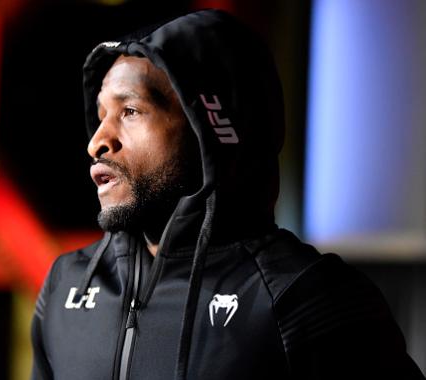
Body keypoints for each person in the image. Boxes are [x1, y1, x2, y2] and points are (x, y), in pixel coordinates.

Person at [31, 9, 425, 380]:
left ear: (210, 129)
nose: (98, 142)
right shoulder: (67, 285)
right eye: (101, 116)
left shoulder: (304, 297)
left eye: (130, 111)